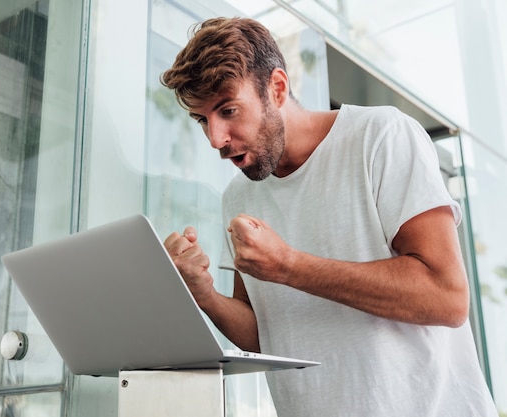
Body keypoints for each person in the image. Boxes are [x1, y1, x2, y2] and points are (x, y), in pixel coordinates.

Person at [160, 16, 497, 417]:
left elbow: (448, 297)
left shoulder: (381, 137)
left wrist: (290, 266)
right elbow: (265, 334)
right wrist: (205, 296)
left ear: (278, 88)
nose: (216, 139)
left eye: (228, 110)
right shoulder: (239, 194)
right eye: (202, 120)